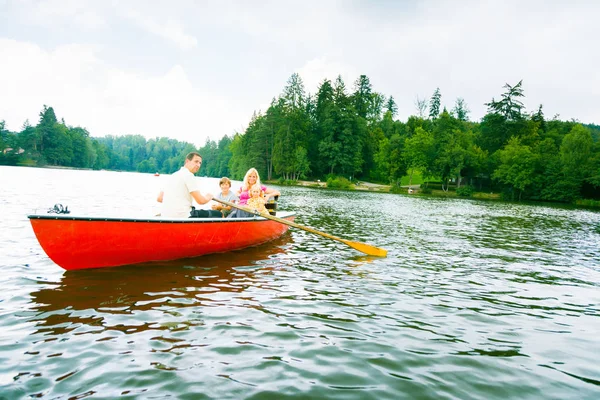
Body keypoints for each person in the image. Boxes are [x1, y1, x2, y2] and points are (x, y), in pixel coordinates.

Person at [156, 152, 214, 218]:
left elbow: (160, 198)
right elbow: (201, 201)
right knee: (217, 214)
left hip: (166, 216)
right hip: (184, 216)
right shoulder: (189, 175)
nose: (198, 165)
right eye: (196, 161)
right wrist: (208, 197)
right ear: (187, 161)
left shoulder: (173, 175)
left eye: (200, 163)